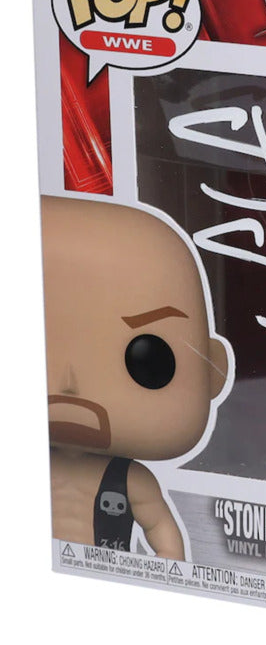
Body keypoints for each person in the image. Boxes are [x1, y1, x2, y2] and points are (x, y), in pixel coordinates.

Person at [43, 196, 231, 559]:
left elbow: (160, 529)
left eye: (148, 360)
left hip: (108, 582)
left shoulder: (130, 480)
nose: (69, 384)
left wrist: (170, 574)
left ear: (213, 372)